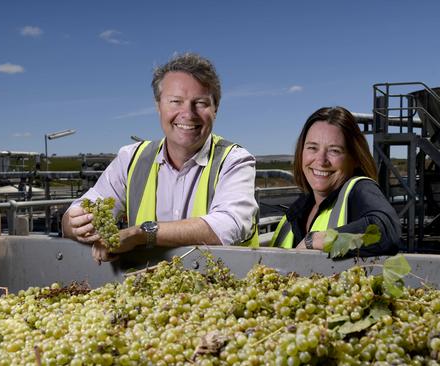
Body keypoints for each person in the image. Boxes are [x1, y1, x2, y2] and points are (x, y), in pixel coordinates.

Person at [62, 52, 259, 262]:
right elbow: (85, 206)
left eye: (200, 103)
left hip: (222, 287)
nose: (188, 113)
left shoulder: (234, 160)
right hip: (147, 286)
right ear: (158, 106)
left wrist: (141, 234)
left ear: (215, 109)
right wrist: (74, 222)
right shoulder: (131, 158)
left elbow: (229, 225)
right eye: (176, 101)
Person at [270, 106, 401, 257]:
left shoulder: (359, 190)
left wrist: (313, 240)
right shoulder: (295, 213)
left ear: (355, 158)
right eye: (312, 148)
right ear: (301, 152)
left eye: (334, 151)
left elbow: (385, 230)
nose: (321, 160)